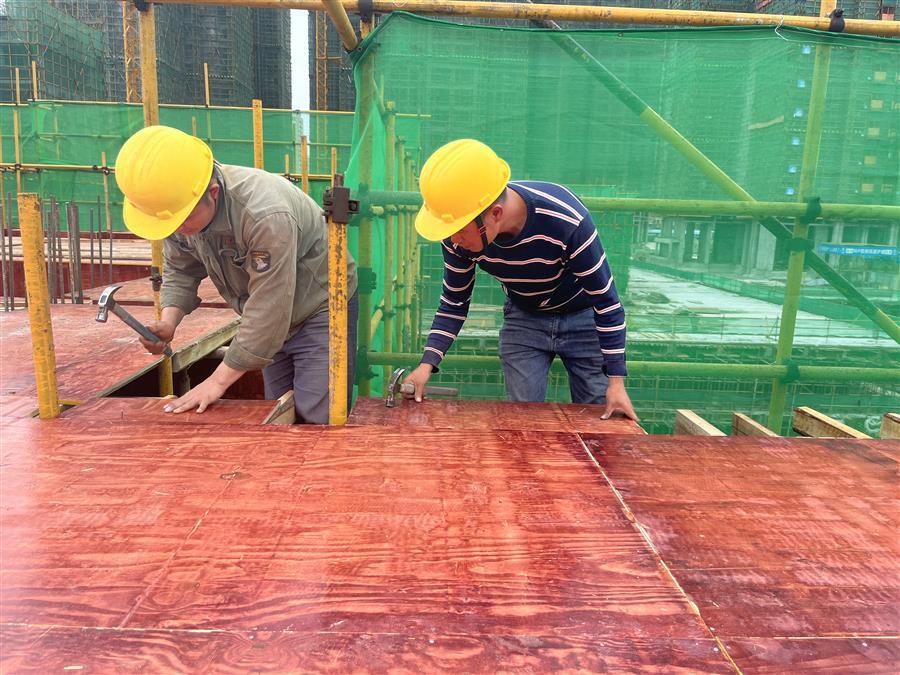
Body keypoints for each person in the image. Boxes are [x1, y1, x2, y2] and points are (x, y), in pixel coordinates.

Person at [115, 125, 358, 423]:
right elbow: (181, 269)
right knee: (278, 412)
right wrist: (168, 322)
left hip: (321, 305)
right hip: (271, 312)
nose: (177, 230)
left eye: (183, 220)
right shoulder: (178, 206)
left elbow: (269, 307)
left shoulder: (265, 214)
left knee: (318, 418)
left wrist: (217, 383)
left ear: (213, 193)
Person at [403, 138, 637, 420]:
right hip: (525, 316)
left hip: (583, 317)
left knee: (598, 413)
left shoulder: (566, 219)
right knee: (523, 417)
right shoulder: (458, 234)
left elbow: (606, 302)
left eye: (460, 230)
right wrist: (426, 365)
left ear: (495, 214)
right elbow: (454, 302)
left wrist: (616, 382)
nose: (454, 239)